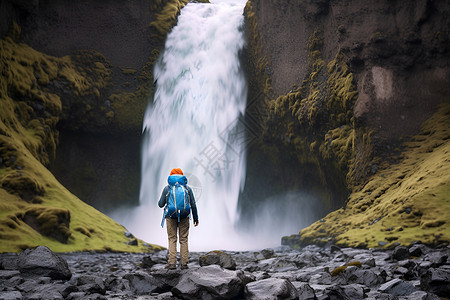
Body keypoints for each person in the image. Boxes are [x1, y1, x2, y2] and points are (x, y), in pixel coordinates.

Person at [158, 168, 199, 269]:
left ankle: (172, 263)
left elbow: (160, 204)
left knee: (172, 239)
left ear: (171, 176)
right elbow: (193, 204)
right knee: (183, 239)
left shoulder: (167, 188)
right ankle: (184, 264)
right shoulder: (187, 189)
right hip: (184, 216)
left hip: (170, 216)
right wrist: (196, 218)